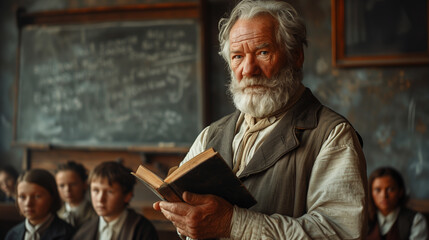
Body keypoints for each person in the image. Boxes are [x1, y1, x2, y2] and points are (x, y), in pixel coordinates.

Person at [153, 0, 368, 239]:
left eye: (262, 53)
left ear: (296, 56)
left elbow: (340, 233)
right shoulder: (210, 135)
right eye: (237, 56)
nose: (248, 69)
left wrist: (234, 224)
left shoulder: (332, 135)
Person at [72, 161, 158, 240]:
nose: (100, 199)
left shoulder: (142, 229)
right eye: (96, 190)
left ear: (127, 196)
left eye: (110, 192)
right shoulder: (84, 230)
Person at [5, 169, 75, 240]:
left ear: (52, 197)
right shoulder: (12, 234)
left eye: (37, 196)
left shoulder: (68, 234)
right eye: (22, 197)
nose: (28, 203)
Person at [367, 167, 428, 240]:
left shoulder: (415, 220)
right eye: (378, 190)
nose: (384, 195)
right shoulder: (364, 220)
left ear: (400, 192)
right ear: (370, 193)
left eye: (390, 189)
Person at [55, 161, 96, 228]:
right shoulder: (56, 215)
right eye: (62, 185)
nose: (67, 190)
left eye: (73, 184)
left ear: (84, 184)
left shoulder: (95, 215)